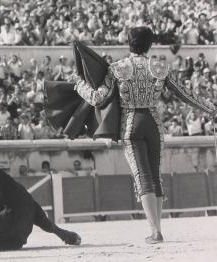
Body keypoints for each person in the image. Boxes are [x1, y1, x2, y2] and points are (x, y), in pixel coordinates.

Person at [74, 26, 216, 244]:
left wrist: (78, 84)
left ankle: (155, 231)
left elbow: (97, 98)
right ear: (149, 45)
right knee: (154, 176)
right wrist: (210, 108)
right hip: (154, 124)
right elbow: (186, 95)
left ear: (128, 43)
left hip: (131, 125)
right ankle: (157, 228)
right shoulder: (159, 67)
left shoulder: (118, 68)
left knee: (143, 176)